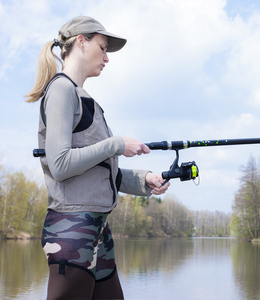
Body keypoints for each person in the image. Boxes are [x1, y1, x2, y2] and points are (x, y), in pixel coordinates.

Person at [25, 16, 170, 299]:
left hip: (97, 231)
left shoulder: (84, 98)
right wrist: (115, 144)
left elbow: (100, 172)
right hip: (71, 231)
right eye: (102, 48)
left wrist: (146, 180)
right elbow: (61, 165)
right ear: (81, 42)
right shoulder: (61, 90)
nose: (106, 57)